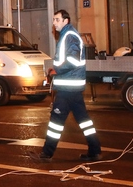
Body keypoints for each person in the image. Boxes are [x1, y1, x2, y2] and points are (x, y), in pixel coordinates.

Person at [32, 9, 101, 162]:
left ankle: (46, 154)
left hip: (68, 87)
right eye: (53, 20)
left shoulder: (69, 36)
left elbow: (73, 60)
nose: (54, 23)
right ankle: (95, 150)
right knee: (84, 120)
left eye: (57, 19)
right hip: (72, 87)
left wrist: (56, 70)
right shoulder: (67, 35)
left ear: (66, 21)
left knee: (56, 121)